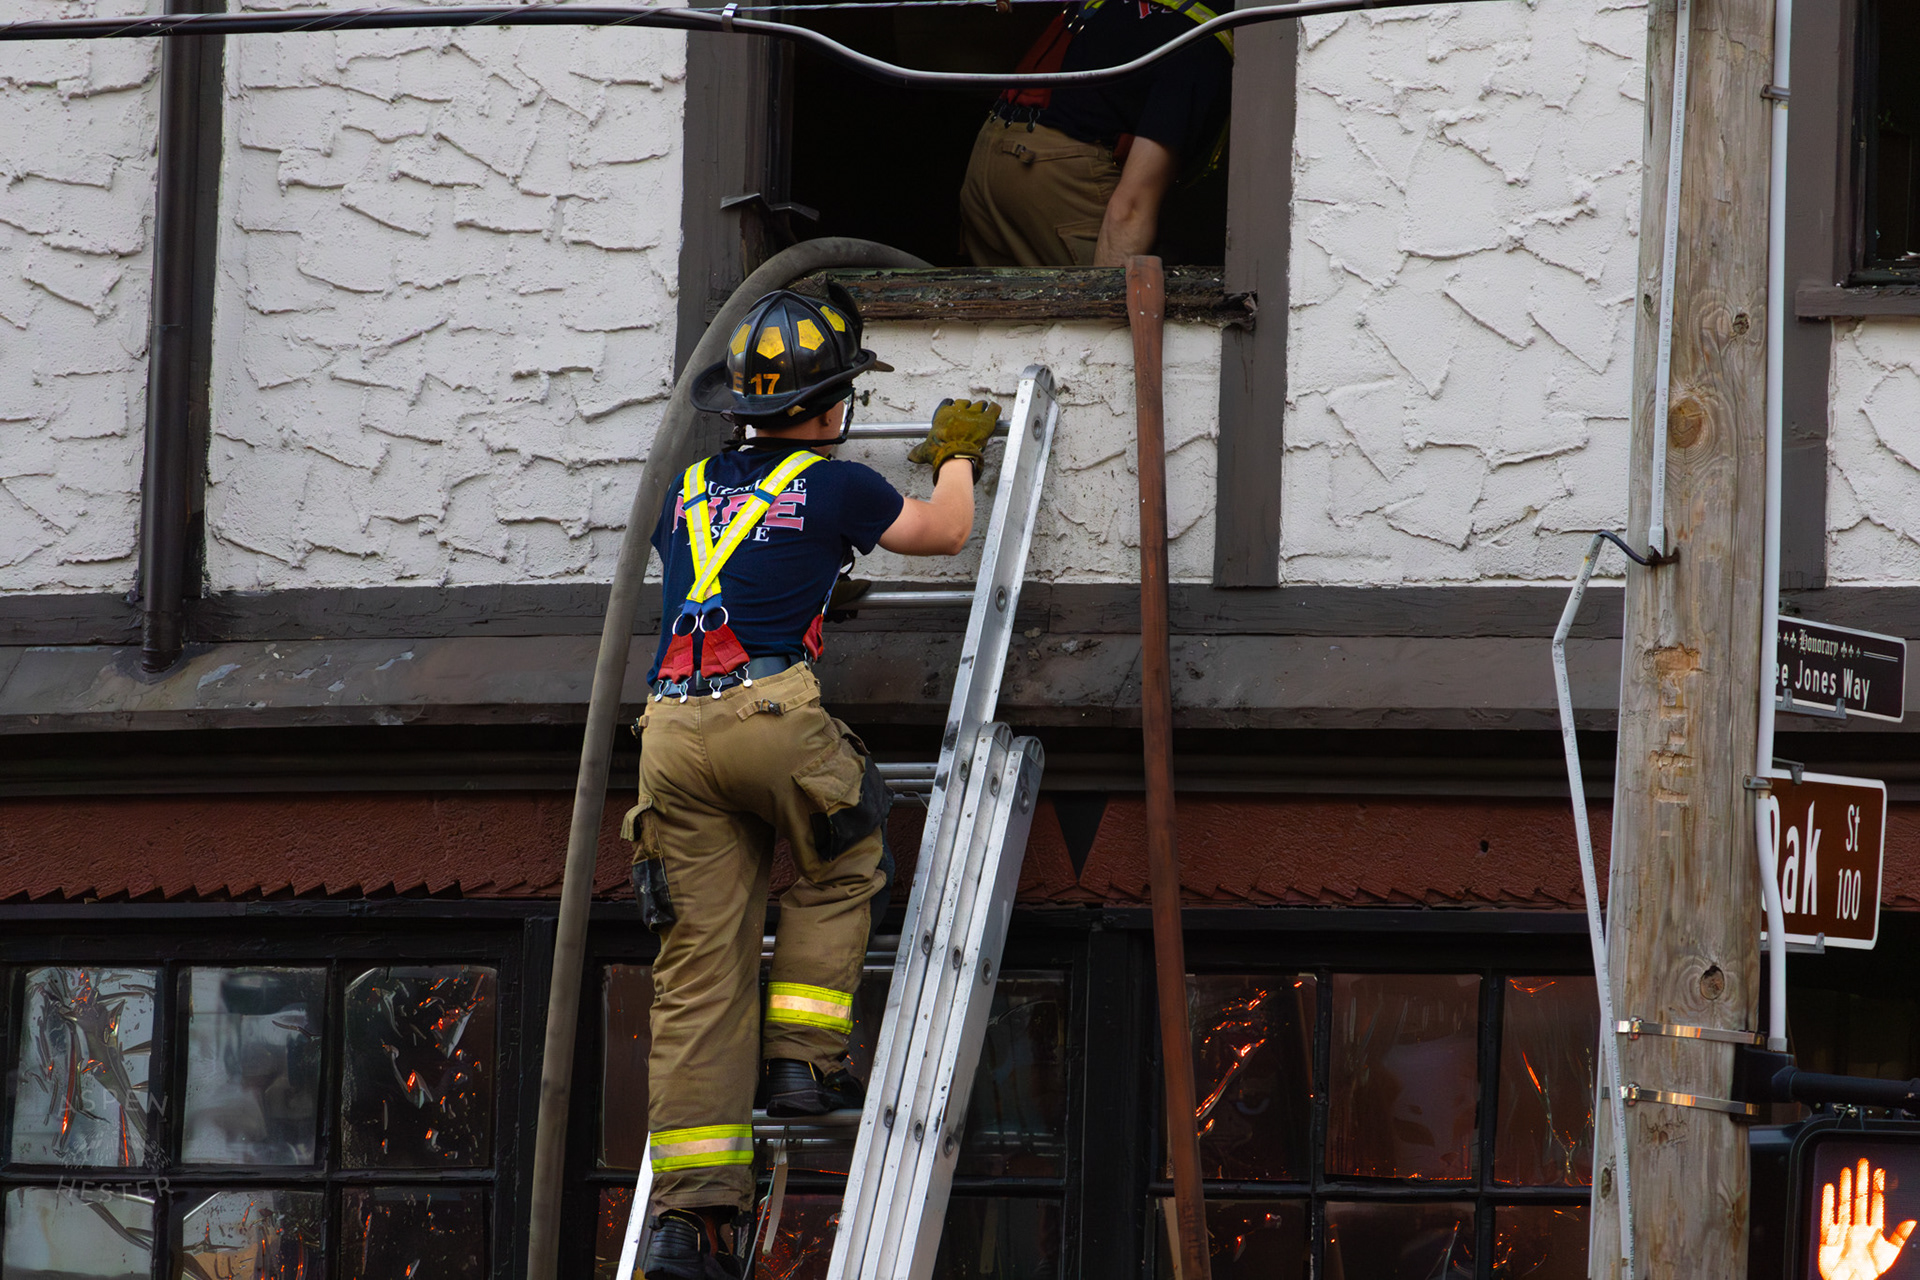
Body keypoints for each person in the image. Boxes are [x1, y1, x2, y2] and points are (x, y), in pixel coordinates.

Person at [626, 286, 1002, 1280]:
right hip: (768, 714)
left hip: (668, 728)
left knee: (700, 966)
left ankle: (690, 1227)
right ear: (832, 407)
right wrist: (957, 452)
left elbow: (724, 570)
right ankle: (802, 1057)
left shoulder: (693, 486)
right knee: (846, 857)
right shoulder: (837, 484)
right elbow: (945, 533)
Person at [958, 0, 1234, 268]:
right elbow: (1132, 207)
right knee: (1089, 306)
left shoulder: (1111, 7)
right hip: (1052, 179)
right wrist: (1110, 310)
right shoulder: (1203, 40)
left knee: (1007, 307)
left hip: (989, 154)